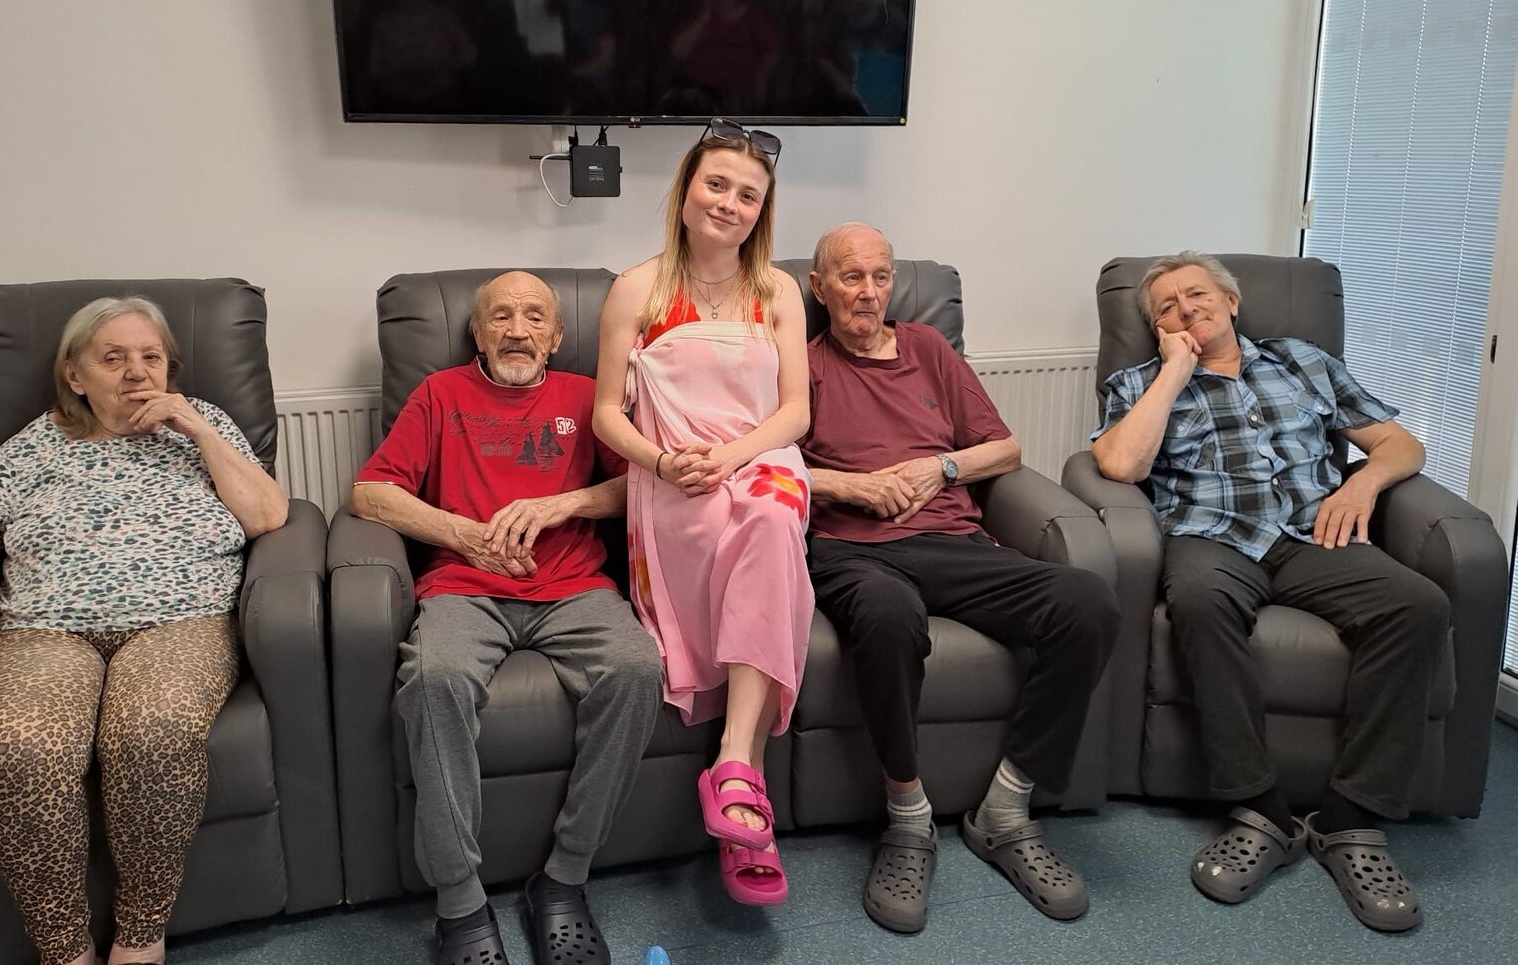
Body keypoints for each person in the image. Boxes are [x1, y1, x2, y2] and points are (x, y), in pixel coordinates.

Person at [1091, 250, 1448, 932]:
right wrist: (1174, 370)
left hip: (1316, 531)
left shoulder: (1302, 361)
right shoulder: (1139, 381)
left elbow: (1401, 444)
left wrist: (1363, 485)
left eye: (1197, 295)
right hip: (1212, 535)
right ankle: (1260, 809)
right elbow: (1120, 463)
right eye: (1167, 307)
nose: (1185, 309)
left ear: (1231, 302)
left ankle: (1352, 817)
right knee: (1199, 602)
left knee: (1418, 605)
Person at [0, 296, 288, 965]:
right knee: (19, 748)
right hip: (41, 630)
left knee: (154, 731)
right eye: (113, 358)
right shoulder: (36, 443)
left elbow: (267, 515)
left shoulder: (204, 423)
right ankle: (64, 949)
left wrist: (195, 428)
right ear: (75, 374)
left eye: (151, 357)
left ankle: (140, 936)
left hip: (181, 621)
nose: (136, 372)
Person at [799, 223, 1119, 932]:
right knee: (887, 616)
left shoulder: (928, 348)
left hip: (953, 538)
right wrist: (854, 486)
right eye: (851, 277)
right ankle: (907, 817)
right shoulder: (804, 363)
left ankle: (1006, 807)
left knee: (1088, 601)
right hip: (854, 549)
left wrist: (939, 467)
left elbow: (1004, 448)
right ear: (819, 288)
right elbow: (772, 467)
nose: (869, 292)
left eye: (881, 276)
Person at [351, 270, 664, 965]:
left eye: (533, 317)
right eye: (500, 316)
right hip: (465, 588)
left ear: (556, 336)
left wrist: (564, 504)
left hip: (574, 587)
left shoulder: (586, 397)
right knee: (435, 679)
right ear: (477, 332)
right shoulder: (440, 394)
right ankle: (461, 904)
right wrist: (465, 535)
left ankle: (564, 879)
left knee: (638, 669)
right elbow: (369, 493)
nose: (517, 330)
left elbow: (640, 482)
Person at [593, 120, 811, 906]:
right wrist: (662, 461)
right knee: (744, 533)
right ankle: (744, 801)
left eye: (747, 194)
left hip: (761, 460)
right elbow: (606, 414)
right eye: (716, 184)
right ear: (687, 189)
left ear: (762, 211)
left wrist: (734, 454)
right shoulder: (637, 288)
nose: (729, 202)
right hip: (673, 477)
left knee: (772, 517)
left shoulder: (779, 290)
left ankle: (735, 762)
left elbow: (795, 412)